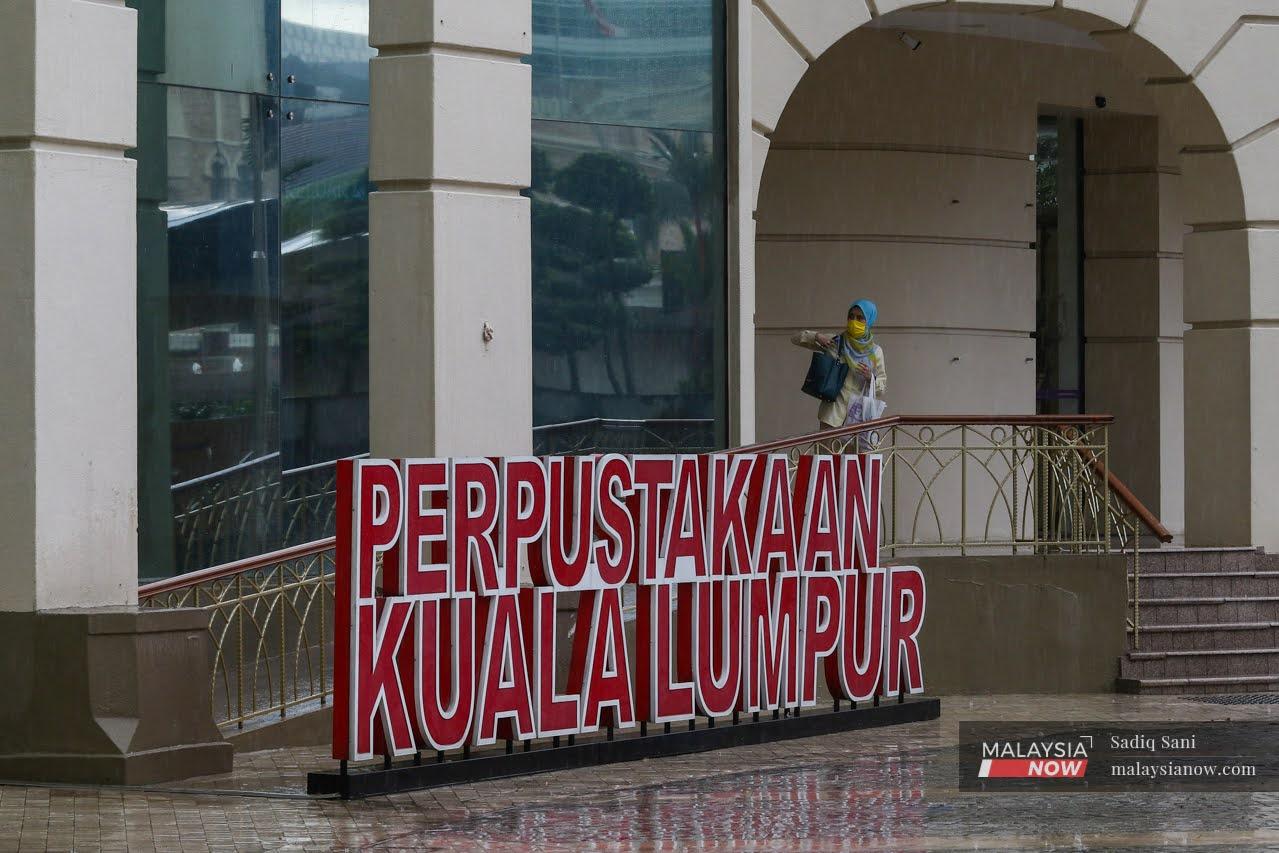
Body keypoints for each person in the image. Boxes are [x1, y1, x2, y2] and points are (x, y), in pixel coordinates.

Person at [791, 299, 887, 432]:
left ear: (869, 321)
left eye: (860, 318)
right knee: (826, 446)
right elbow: (795, 338)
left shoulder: (875, 352)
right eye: (851, 316)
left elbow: (882, 388)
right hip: (832, 414)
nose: (854, 321)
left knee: (854, 447)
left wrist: (870, 377)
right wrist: (817, 336)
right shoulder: (836, 342)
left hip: (858, 417)